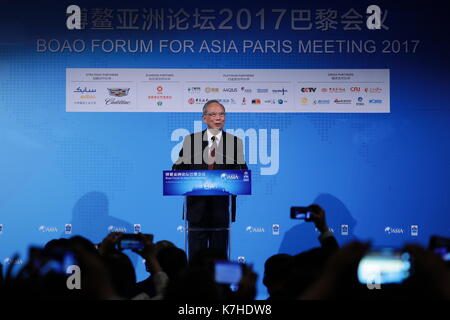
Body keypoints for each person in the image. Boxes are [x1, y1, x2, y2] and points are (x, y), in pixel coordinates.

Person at [172, 100, 248, 261]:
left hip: (221, 210)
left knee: (220, 262)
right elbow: (177, 170)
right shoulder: (191, 141)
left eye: (221, 114)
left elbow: (242, 174)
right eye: (213, 114)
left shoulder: (234, 143)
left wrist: (234, 178)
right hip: (196, 211)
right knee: (195, 261)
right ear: (204, 118)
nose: (218, 118)